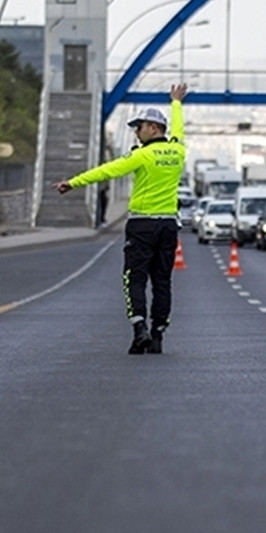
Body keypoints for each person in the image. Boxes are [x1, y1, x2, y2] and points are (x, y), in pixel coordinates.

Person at [55, 83, 188, 355]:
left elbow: (107, 171)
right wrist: (176, 102)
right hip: (168, 226)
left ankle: (140, 329)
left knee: (134, 278)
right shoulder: (178, 151)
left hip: (142, 225)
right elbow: (179, 129)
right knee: (162, 281)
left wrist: (73, 182)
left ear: (152, 127)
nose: (136, 133)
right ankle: (158, 334)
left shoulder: (142, 155)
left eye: (138, 127)